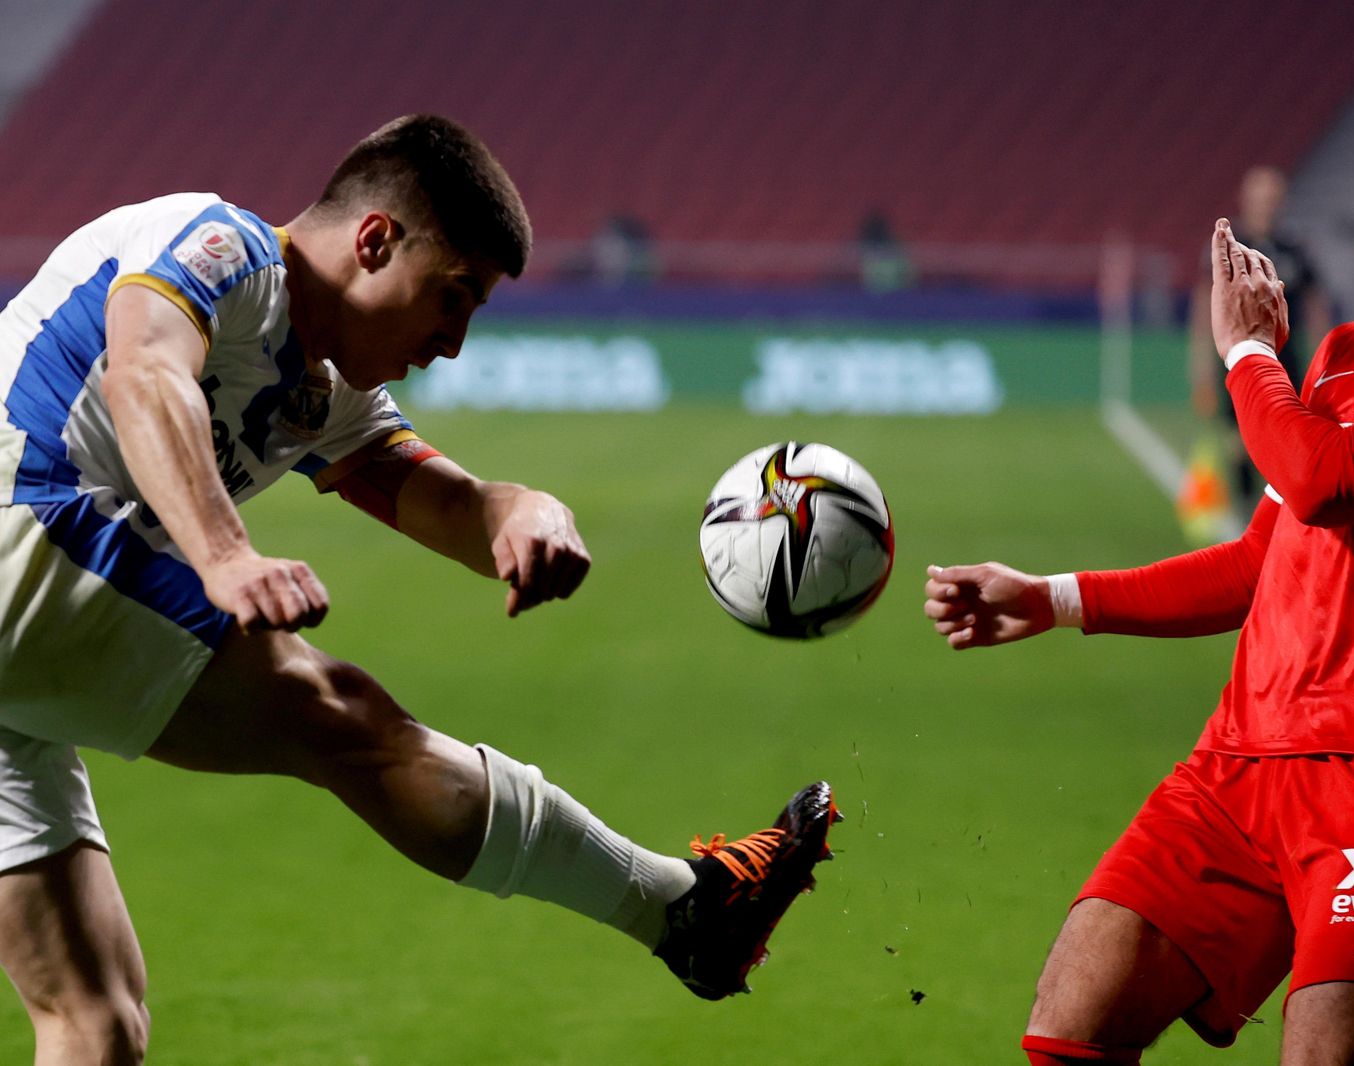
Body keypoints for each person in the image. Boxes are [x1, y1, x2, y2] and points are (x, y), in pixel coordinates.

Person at [0, 114, 838, 1063]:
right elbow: (144, 373)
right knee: (337, 713)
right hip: (17, 522)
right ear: (373, 240)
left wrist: (522, 512)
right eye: (454, 296)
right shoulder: (221, 247)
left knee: (95, 1021)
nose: (453, 342)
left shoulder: (327, 390)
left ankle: (688, 918)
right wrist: (227, 557)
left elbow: (443, 497)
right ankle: (684, 914)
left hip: (20, 643)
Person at [925, 62, 1354, 1065]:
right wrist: (1055, 598)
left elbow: (1327, 477)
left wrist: (1246, 356)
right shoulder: (1348, 354)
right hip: (1234, 766)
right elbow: (1255, 566)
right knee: (1067, 1023)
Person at [1188, 165, 1332, 508]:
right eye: (1260, 197)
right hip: (1237, 357)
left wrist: (1326, 354)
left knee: (1286, 436)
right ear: (1246, 199)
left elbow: (1315, 305)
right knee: (1238, 441)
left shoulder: (1294, 247)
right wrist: (1201, 368)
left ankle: (1282, 512)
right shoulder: (1227, 247)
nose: (1266, 204)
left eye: (1272, 197)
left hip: (1287, 359)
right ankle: (1244, 513)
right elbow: (1202, 305)